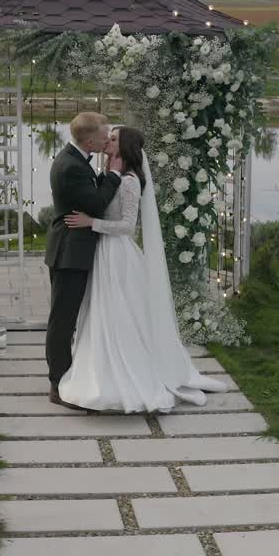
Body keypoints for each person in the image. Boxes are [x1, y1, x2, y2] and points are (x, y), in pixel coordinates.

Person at [57, 125, 226, 413]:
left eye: (113, 139)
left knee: (118, 313)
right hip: (102, 252)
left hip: (116, 254)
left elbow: (126, 226)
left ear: (125, 148)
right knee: (99, 312)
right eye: (107, 137)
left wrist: (91, 223)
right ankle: (97, 369)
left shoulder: (131, 181)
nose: (107, 141)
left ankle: (126, 374)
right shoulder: (112, 173)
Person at [43, 112, 122, 410]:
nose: (107, 140)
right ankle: (58, 384)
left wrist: (102, 174)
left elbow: (88, 197)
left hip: (72, 248)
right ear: (90, 140)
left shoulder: (75, 159)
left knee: (67, 318)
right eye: (104, 137)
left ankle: (68, 376)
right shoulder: (71, 167)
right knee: (63, 321)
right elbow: (98, 204)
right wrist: (114, 174)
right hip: (69, 252)